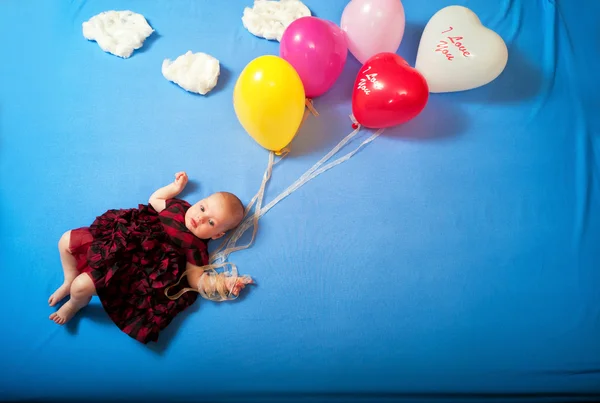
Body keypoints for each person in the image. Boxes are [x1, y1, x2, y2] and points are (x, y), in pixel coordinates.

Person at [48, 171, 252, 344]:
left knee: (81, 287)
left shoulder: (196, 247)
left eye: (211, 222)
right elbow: (154, 200)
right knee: (66, 241)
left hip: (134, 267)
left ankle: (75, 303)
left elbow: (198, 280)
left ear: (216, 236)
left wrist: (224, 283)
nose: (200, 218)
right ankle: (68, 278)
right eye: (202, 207)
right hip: (121, 240)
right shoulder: (178, 207)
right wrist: (175, 187)